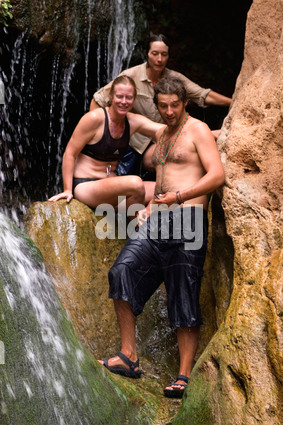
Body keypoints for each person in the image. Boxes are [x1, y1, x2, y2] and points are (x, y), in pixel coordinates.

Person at [98, 77, 225, 398]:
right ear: (157, 105)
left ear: (185, 103)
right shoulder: (163, 135)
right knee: (122, 270)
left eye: (175, 105)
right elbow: (163, 179)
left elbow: (216, 175)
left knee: (183, 294)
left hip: (189, 220)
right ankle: (129, 355)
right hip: (159, 220)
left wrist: (179, 197)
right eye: (163, 106)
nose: (169, 111)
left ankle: (183, 375)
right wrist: (152, 205)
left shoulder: (197, 130)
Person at [90, 33, 232, 177]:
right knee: (121, 190)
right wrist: (103, 136)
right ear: (146, 54)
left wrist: (234, 102)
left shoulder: (174, 79)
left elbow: (203, 94)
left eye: (164, 55)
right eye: (155, 54)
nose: (159, 59)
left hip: (161, 140)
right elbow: (98, 100)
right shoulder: (130, 76)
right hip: (132, 143)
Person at [48, 75, 163, 208]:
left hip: (111, 185)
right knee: (136, 183)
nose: (124, 101)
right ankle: (136, 224)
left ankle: (128, 220)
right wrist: (67, 190)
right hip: (86, 185)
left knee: (164, 189)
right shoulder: (94, 118)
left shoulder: (133, 121)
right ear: (111, 96)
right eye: (119, 97)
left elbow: (164, 130)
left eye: (129, 98)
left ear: (134, 99)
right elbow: (70, 153)